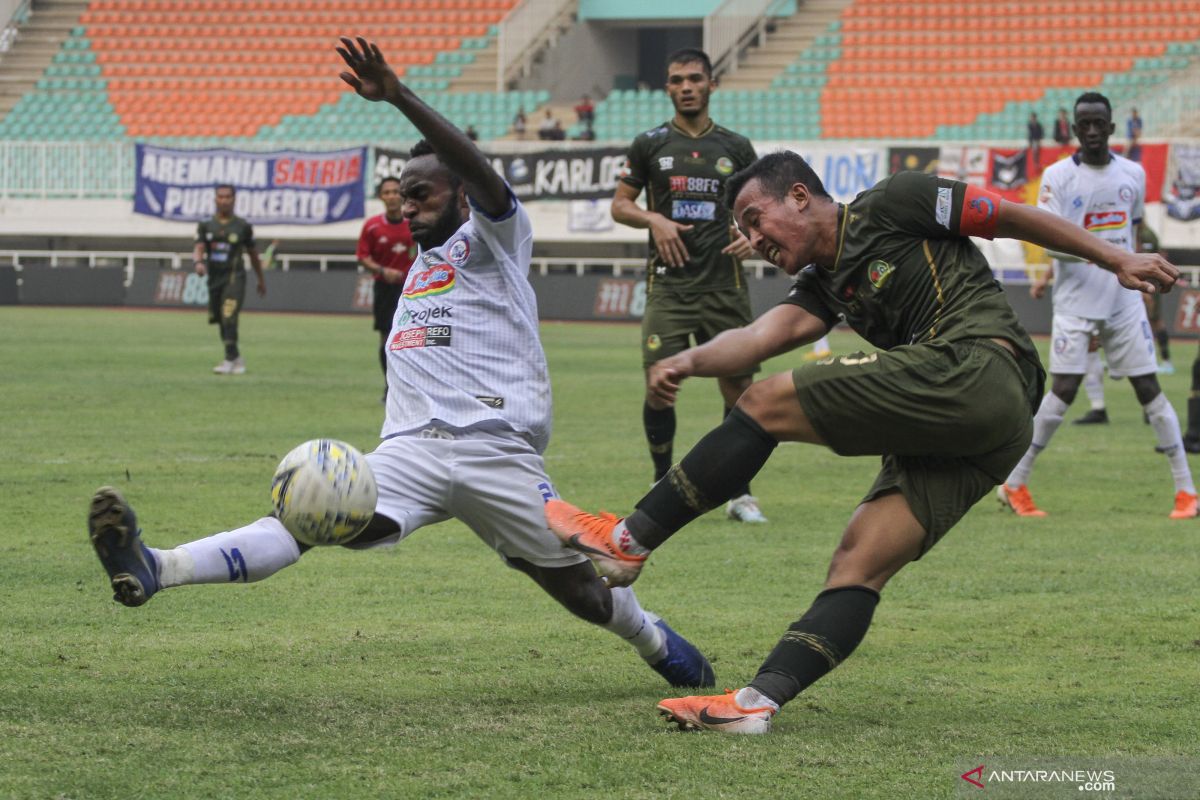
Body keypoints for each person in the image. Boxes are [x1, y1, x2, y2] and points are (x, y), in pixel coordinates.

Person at [87, 35, 715, 693]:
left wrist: (398, 96)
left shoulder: (496, 241)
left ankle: (652, 639)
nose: (408, 206)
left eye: (423, 194)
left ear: (462, 195)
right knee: (305, 515)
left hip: (495, 452)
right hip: (408, 454)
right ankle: (160, 566)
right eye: (402, 196)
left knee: (581, 594)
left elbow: (486, 178)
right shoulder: (418, 267)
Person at [542, 150, 1178, 734]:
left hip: (979, 367)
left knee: (762, 402)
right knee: (858, 560)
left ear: (799, 195)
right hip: (990, 431)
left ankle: (627, 542)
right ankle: (754, 707)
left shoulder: (896, 200)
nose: (753, 240)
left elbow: (1010, 215)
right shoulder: (824, 284)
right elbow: (762, 336)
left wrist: (1115, 257)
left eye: (755, 219)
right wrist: (688, 360)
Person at [999, 92, 1196, 519]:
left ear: (1111, 127)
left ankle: (1186, 492)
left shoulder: (1133, 173)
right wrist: (1107, 257)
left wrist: (1143, 279)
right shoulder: (1056, 177)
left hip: (1123, 302)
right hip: (1074, 303)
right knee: (1063, 393)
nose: (1091, 131)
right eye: (1083, 123)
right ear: (1074, 128)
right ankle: (1015, 483)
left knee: (1149, 390)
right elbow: (1050, 240)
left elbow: (1135, 233)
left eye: (1098, 124)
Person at [611, 47, 765, 523]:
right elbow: (620, 204)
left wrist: (756, 236)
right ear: (668, 88)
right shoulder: (649, 144)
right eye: (677, 80)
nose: (686, 87)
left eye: (695, 79)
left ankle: (739, 493)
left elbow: (766, 207)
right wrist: (652, 218)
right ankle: (662, 480)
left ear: (711, 84)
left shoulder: (736, 148)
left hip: (725, 286)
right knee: (660, 386)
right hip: (670, 289)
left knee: (739, 392)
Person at [193, 184, 266, 375]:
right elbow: (199, 246)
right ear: (215, 199)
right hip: (214, 280)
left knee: (228, 315)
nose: (224, 200)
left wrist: (260, 279)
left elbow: (253, 255)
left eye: (228, 197)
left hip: (235, 278)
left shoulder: (242, 226)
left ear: (234, 199)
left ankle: (229, 359)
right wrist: (199, 263)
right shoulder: (206, 225)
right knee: (219, 319)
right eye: (220, 197)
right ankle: (235, 357)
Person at [357, 176, 416, 401]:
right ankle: (389, 385)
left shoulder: (413, 222)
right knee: (386, 338)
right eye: (386, 192)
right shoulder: (372, 226)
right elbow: (363, 256)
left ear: (402, 195)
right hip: (384, 288)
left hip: (412, 290)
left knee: (413, 338)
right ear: (381, 197)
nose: (391, 196)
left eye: (395, 191)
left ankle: (411, 386)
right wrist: (382, 270)